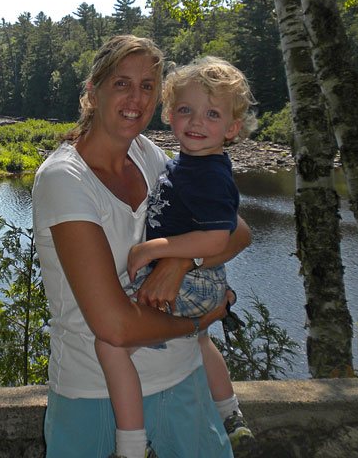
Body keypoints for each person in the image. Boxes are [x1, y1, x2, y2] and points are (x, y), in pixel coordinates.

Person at [32, 36, 251, 458]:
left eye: (148, 86)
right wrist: (198, 321)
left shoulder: (147, 154)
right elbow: (114, 326)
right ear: (93, 92)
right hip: (95, 397)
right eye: (122, 84)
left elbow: (238, 233)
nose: (136, 98)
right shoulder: (65, 179)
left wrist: (180, 261)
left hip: (184, 382)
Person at [94, 56, 258, 456]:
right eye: (186, 110)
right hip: (199, 283)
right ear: (170, 115)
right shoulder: (186, 164)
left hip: (192, 284)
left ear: (232, 128)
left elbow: (218, 238)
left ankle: (131, 447)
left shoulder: (209, 173)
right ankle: (232, 416)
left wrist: (153, 250)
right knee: (201, 340)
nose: (196, 122)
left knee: (111, 346)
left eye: (212, 114)